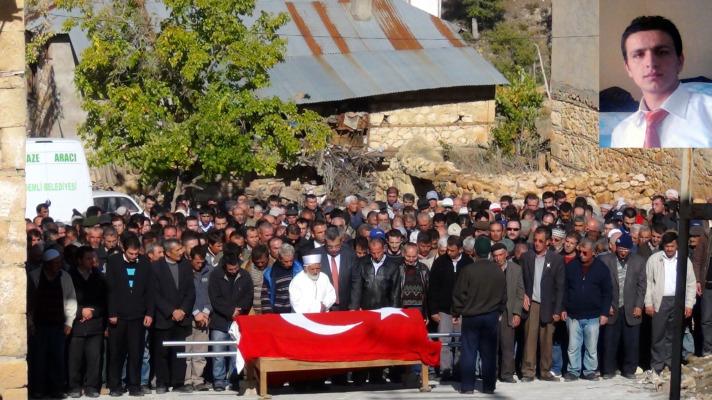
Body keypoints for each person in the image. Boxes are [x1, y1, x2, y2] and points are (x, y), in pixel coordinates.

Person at [610, 16, 712, 148]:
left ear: (679, 61)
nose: (651, 63)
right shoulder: (621, 134)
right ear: (628, 68)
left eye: (662, 52)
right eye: (638, 55)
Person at [452, 237, 506, 394]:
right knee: (489, 353)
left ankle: (468, 386)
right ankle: (489, 386)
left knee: (469, 352)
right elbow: (504, 295)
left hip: (471, 317)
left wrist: (456, 311)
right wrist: (500, 311)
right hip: (491, 317)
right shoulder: (498, 271)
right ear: (489, 253)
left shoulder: (468, 270)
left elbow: (459, 294)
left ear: (474, 251)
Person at [105, 235, 155, 397]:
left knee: (136, 352)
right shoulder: (113, 262)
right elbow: (110, 290)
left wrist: (149, 313)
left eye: (136, 253)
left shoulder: (145, 263)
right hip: (118, 316)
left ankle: (134, 385)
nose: (134, 257)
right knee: (116, 352)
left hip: (137, 315)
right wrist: (112, 312)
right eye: (130, 254)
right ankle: (115, 385)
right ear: (123, 249)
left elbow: (150, 291)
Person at [27, 248, 78, 399]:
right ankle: (39, 390)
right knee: (39, 359)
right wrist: (30, 324)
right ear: (47, 264)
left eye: (59, 263)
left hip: (58, 325)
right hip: (39, 326)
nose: (58, 266)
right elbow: (29, 304)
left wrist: (69, 322)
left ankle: (57, 390)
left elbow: (71, 300)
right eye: (55, 263)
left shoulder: (65, 277)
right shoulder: (34, 276)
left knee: (57, 359)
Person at [644, 232, 697, 374]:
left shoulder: (684, 260)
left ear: (677, 246)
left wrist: (689, 304)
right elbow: (648, 283)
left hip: (677, 301)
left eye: (672, 246)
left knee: (673, 335)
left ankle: (670, 364)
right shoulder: (654, 259)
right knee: (658, 335)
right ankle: (657, 366)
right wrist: (648, 303)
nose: (669, 249)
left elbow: (691, 283)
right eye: (667, 246)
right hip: (659, 301)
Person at [562, 239, 612, 381]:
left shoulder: (602, 269)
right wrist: (563, 308)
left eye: (585, 253)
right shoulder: (571, 266)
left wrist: (604, 313)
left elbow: (607, 292)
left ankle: (589, 371)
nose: (582, 255)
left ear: (593, 253)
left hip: (593, 315)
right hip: (573, 314)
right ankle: (573, 371)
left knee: (591, 346)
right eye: (580, 252)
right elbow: (564, 289)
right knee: (573, 346)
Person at [599, 233, 647, 379]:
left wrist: (639, 305)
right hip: (612, 307)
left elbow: (642, 286)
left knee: (631, 342)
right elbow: (600, 285)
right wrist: (605, 305)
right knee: (609, 341)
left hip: (630, 307)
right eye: (620, 248)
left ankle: (629, 369)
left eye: (625, 249)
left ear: (630, 249)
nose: (622, 251)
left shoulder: (639, 261)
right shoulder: (605, 260)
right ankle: (608, 369)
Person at [521, 227, 565, 382]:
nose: (537, 244)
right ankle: (528, 371)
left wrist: (558, 310)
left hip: (549, 305)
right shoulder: (527, 257)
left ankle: (545, 371)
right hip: (532, 304)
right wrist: (523, 295)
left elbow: (560, 287)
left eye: (541, 241)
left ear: (548, 242)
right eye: (535, 240)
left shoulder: (556, 259)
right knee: (530, 339)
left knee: (547, 341)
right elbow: (521, 281)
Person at [426, 235, 473, 380]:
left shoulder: (468, 262)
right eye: (448, 250)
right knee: (444, 342)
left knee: (460, 342)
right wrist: (433, 310)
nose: (449, 253)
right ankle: (445, 370)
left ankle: (459, 370)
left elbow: (471, 288)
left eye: (452, 251)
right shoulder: (440, 262)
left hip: (463, 310)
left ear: (460, 249)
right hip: (444, 310)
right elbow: (432, 288)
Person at [208, 252, 253, 391]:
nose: (234, 272)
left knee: (235, 352)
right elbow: (215, 298)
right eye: (230, 270)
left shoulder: (245, 276)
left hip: (238, 320)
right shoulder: (216, 275)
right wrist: (229, 311)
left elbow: (248, 296)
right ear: (224, 266)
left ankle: (234, 378)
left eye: (236, 269)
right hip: (220, 320)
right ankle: (219, 380)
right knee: (218, 352)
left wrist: (239, 310)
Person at [67, 246, 106, 398]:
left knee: (94, 357)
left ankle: (91, 387)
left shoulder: (98, 277)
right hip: (76, 324)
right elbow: (66, 299)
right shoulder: (69, 276)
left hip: (95, 324)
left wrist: (93, 312)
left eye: (93, 258)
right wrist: (80, 312)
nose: (92, 261)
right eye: (88, 259)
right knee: (75, 358)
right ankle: (74, 386)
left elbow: (104, 300)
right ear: (79, 260)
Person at [491, 242, 524, 383]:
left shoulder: (516, 269)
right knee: (492, 345)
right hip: (492, 311)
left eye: (500, 255)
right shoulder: (489, 269)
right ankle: (492, 373)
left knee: (508, 344)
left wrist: (517, 313)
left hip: (508, 311)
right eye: (495, 256)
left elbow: (520, 292)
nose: (498, 258)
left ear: (506, 254)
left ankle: (507, 374)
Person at [184, 245, 212, 391]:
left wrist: (206, 312)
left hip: (205, 318)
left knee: (200, 352)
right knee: (187, 351)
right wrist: (196, 312)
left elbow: (212, 294)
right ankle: (187, 380)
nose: (200, 265)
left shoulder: (210, 271)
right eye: (197, 262)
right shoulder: (185, 272)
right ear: (190, 259)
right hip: (189, 317)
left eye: (202, 262)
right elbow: (185, 294)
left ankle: (198, 380)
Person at [319, 227, 359, 311]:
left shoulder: (350, 255)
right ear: (325, 242)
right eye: (330, 247)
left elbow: (356, 282)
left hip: (346, 306)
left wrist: (353, 306)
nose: (334, 250)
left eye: (337, 246)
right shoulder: (316, 255)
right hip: (323, 307)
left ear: (341, 241)